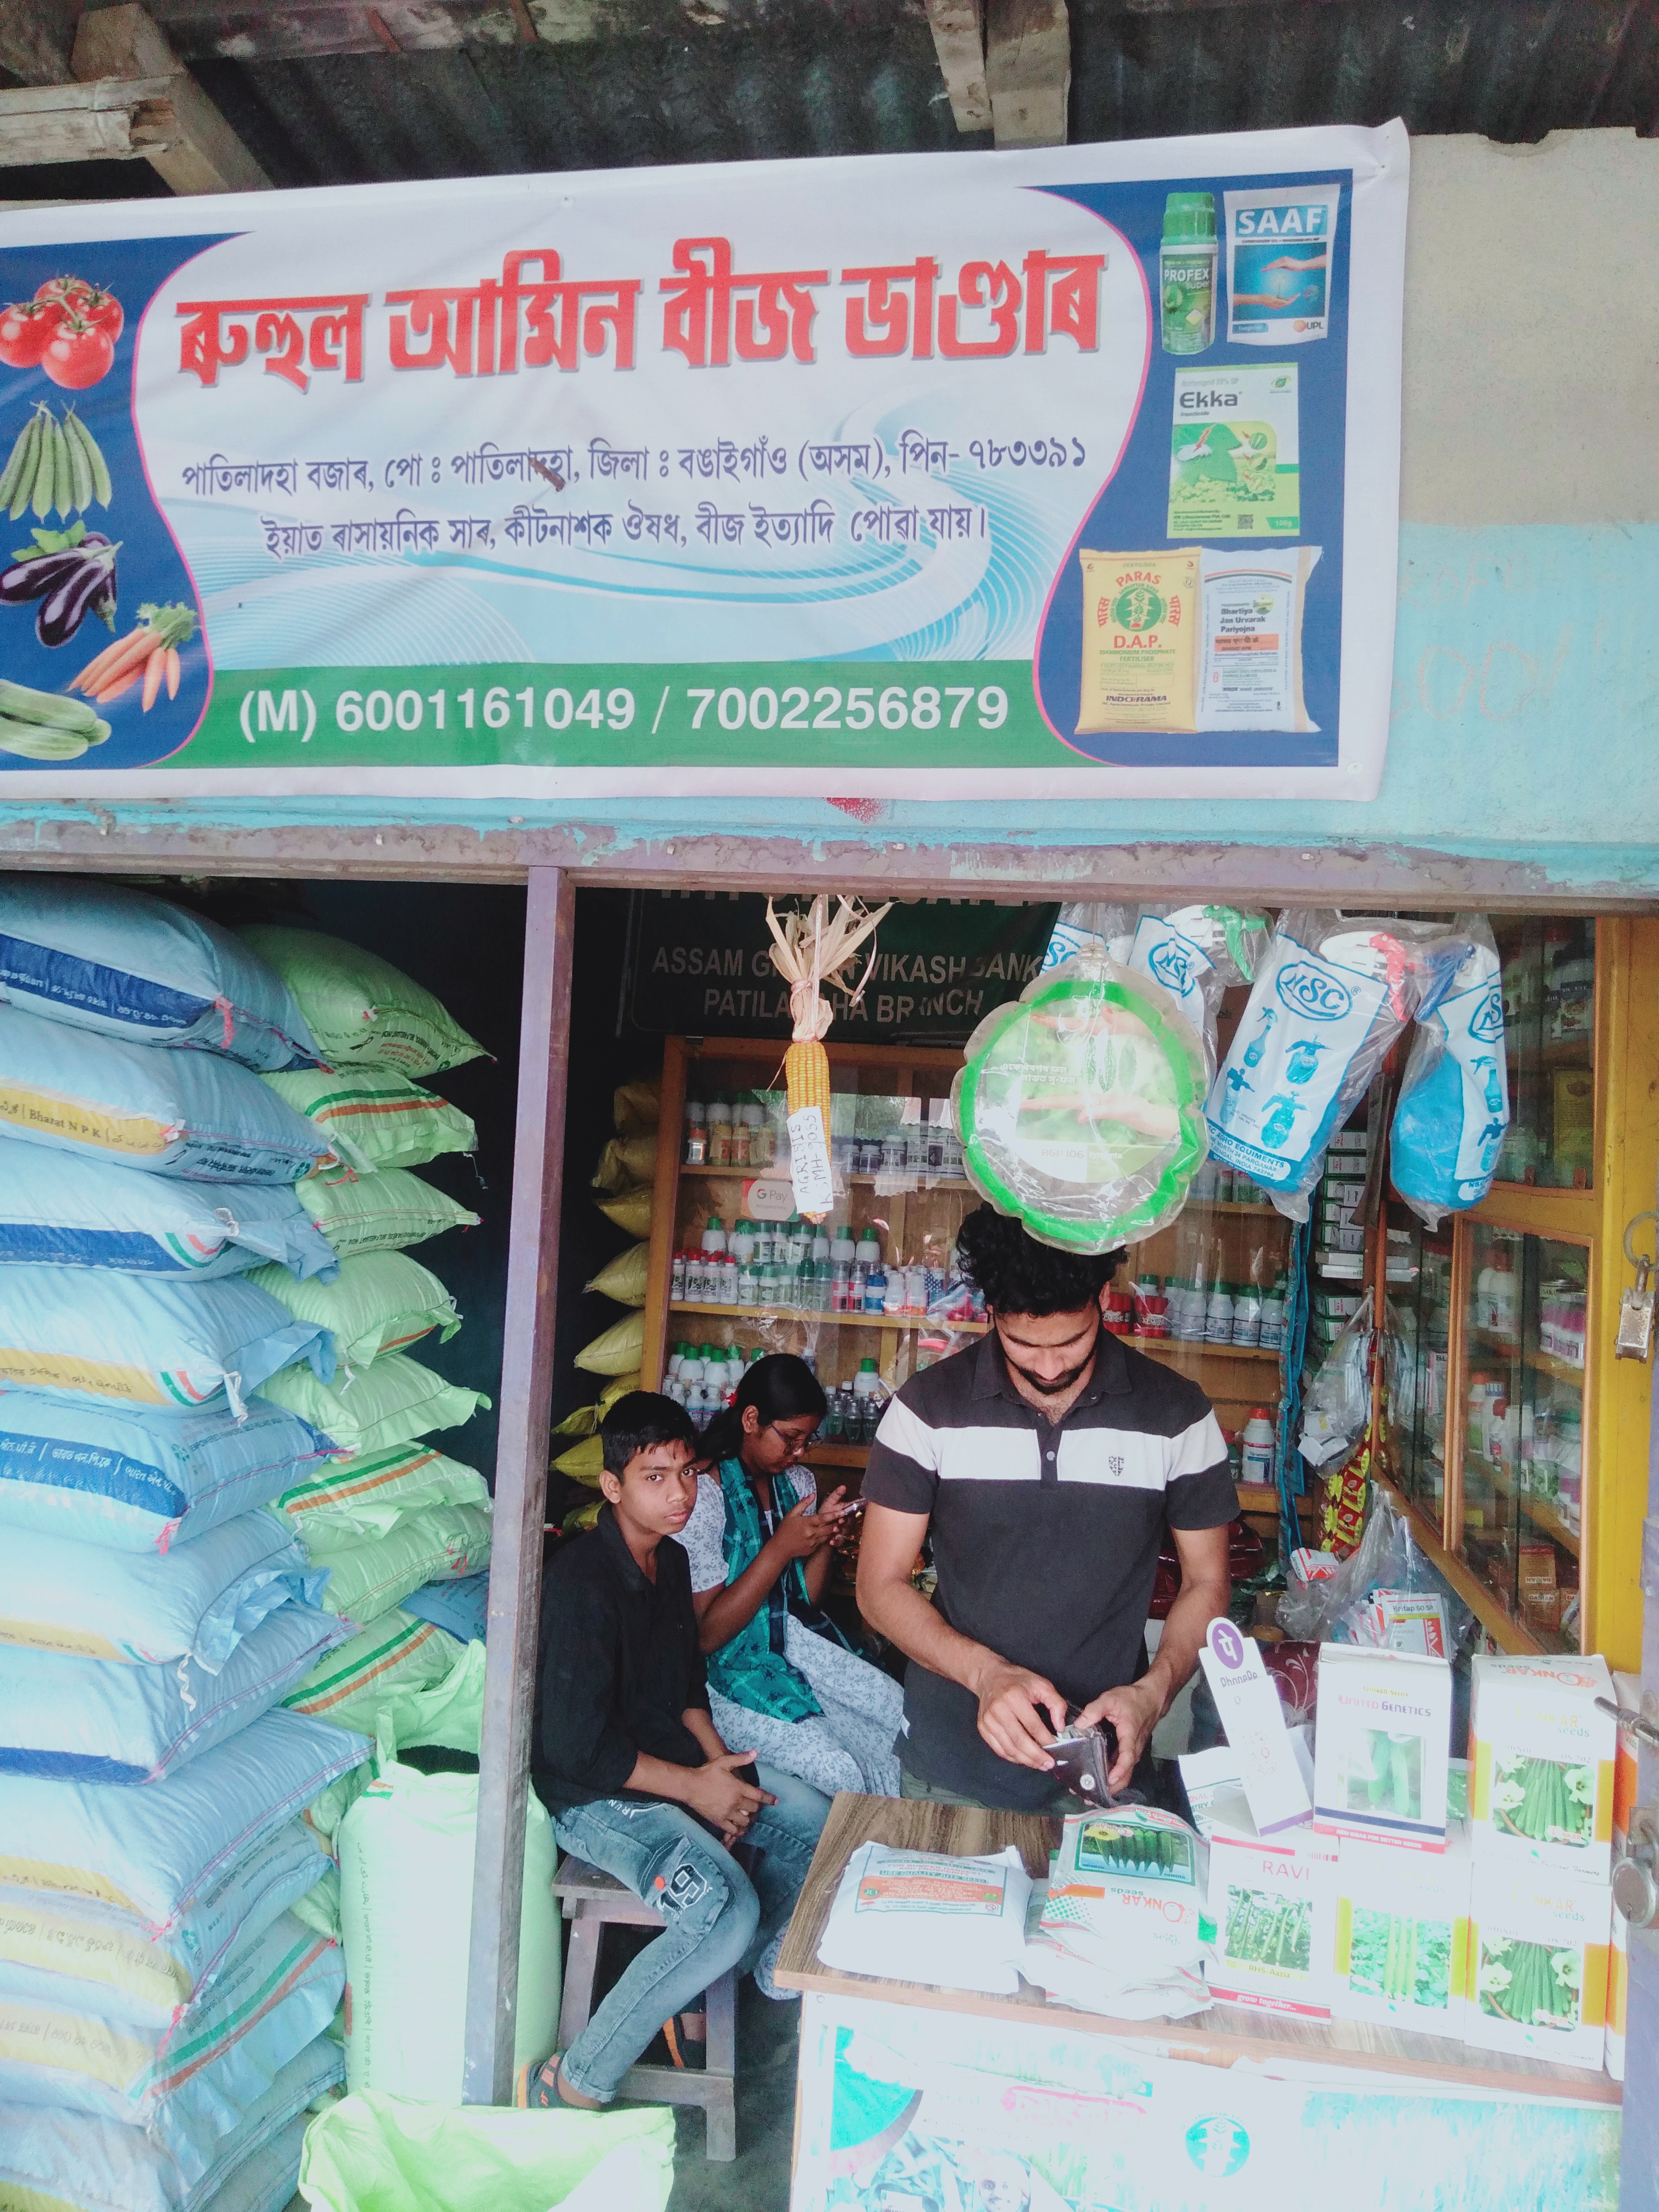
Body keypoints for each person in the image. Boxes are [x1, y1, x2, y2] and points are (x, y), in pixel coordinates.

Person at [856, 1206, 1235, 1813]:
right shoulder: (926, 1409)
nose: (1051, 1367)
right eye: (1024, 1344)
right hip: (953, 1766)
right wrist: (985, 1675)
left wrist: (1154, 1692)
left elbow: (1208, 1581)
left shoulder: (1177, 1415)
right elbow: (879, 1587)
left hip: (1106, 1764)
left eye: (1071, 1341)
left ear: (1104, 1299)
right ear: (990, 1311)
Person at [522, 1390, 828, 2109]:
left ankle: (713, 1979)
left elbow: (688, 1686)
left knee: (820, 1824)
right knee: (724, 1909)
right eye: (655, 1477)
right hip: (597, 1798)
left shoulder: (673, 1561)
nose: (679, 1494)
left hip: (676, 1766)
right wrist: (697, 1790)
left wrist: (720, 1770)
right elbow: (578, 1749)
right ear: (612, 1485)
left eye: (688, 1473)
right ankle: (575, 2081)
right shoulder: (580, 1584)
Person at [676, 1353, 904, 1798]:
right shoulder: (703, 1496)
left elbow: (804, 1604)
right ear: (751, 1420)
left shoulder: (797, 1484)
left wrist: (824, 1541)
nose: (798, 1452)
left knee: (897, 1716)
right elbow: (707, 1637)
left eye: (806, 1441)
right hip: (728, 1671)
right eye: (790, 1438)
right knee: (838, 1769)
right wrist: (780, 1548)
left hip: (794, 1645)